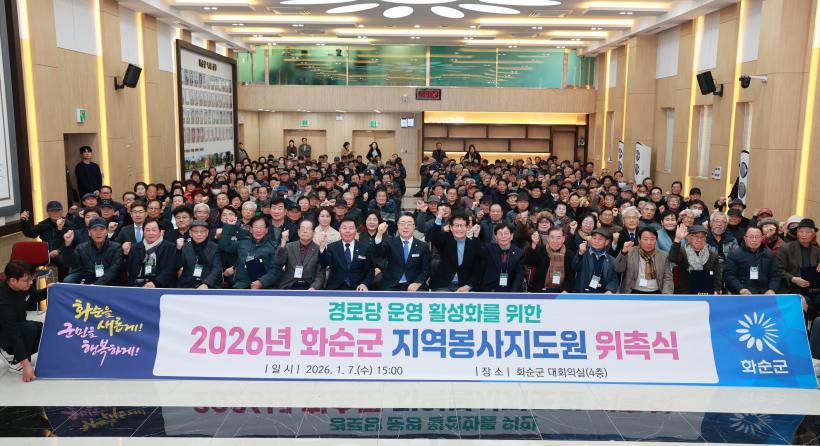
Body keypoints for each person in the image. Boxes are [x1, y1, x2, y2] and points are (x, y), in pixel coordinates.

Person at [0, 260, 48, 381]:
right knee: (29, 329)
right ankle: (12, 356)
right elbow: (13, 332)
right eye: (27, 280)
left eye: (31, 279)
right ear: (12, 280)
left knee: (42, 328)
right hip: (4, 331)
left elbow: (35, 296)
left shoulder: (24, 286)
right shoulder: (4, 300)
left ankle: (19, 355)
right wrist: (26, 365)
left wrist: (50, 289)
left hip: (18, 323)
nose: (30, 282)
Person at [427, 211, 483, 292]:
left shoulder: (473, 244)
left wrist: (468, 286)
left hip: (465, 286)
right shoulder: (445, 239)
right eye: (456, 225)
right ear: (451, 227)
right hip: (443, 285)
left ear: (467, 227)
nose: (459, 229)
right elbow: (434, 237)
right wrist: (439, 218)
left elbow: (477, 270)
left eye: (462, 225)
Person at [373, 213, 430, 291]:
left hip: (415, 285)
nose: (406, 227)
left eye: (409, 224)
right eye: (402, 223)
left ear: (414, 226)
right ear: (398, 225)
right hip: (392, 285)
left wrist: (417, 283)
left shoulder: (423, 246)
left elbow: (426, 269)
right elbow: (378, 252)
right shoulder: (390, 243)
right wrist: (379, 234)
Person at [61, 217, 123, 285]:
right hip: (88, 278)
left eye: (101, 229)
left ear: (106, 232)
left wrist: (96, 285)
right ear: (89, 232)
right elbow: (71, 263)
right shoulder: (81, 247)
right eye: (94, 229)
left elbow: (113, 270)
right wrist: (68, 245)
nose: (98, 233)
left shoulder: (116, 247)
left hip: (108, 280)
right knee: (68, 280)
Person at [613, 227, 674, 294]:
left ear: (656, 240)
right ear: (639, 240)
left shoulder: (663, 256)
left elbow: (667, 278)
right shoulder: (630, 251)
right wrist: (624, 252)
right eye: (645, 239)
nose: (649, 242)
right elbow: (618, 269)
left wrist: (666, 295)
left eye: (652, 239)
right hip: (633, 291)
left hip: (656, 292)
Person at [776, 218, 820, 309]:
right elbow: (778, 269)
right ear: (797, 233)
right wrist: (793, 279)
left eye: (807, 232)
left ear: (813, 234)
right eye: (801, 231)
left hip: (813, 288)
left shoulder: (817, 251)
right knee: (804, 301)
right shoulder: (786, 248)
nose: (804, 235)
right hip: (792, 287)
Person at [320, 218, 373, 291]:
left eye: (351, 228)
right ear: (339, 230)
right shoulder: (331, 247)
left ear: (356, 230)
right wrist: (322, 248)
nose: (347, 231)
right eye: (344, 228)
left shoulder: (364, 248)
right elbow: (323, 264)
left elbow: (370, 271)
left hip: (357, 288)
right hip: (335, 288)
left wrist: (364, 284)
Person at [724, 227, 780, 295]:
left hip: (764, 293)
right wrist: (740, 289)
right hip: (743, 294)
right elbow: (729, 275)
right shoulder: (734, 254)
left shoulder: (769, 254)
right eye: (751, 237)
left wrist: (772, 289)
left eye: (757, 237)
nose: (754, 240)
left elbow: (775, 275)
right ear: (745, 238)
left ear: (762, 238)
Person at [122, 219, 177, 288]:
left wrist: (156, 283)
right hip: (136, 286)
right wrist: (125, 255)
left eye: (154, 230)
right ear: (143, 232)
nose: (151, 233)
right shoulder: (134, 247)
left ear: (160, 232)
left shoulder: (170, 247)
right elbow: (125, 269)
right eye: (147, 230)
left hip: (159, 286)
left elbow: (171, 269)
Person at [668, 225, 722, 294]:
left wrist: (716, 290)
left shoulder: (712, 255)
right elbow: (673, 258)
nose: (699, 240)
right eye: (696, 236)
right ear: (688, 238)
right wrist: (677, 240)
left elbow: (717, 276)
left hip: (705, 292)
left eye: (702, 237)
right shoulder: (682, 251)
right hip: (685, 292)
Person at [232, 216, 282, 289]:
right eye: (256, 227)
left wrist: (262, 282)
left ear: (266, 230)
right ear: (251, 229)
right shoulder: (242, 242)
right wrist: (229, 226)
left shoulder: (273, 246)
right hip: (241, 284)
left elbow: (276, 270)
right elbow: (225, 246)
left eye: (261, 227)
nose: (258, 230)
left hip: (264, 286)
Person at [276, 219, 325, 290]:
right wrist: (283, 242)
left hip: (309, 286)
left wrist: (314, 287)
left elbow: (320, 274)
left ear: (313, 232)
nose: (305, 231)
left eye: (308, 229)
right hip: (289, 285)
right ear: (298, 232)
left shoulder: (318, 249)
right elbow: (279, 262)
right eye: (302, 228)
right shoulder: (288, 246)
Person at [526, 226, 576, 293]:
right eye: (552, 237)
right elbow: (529, 262)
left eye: (558, 238)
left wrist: (565, 290)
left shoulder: (569, 254)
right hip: (540, 290)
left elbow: (571, 277)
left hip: (561, 292)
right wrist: (534, 245)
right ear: (548, 238)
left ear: (563, 239)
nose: (555, 241)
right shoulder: (540, 250)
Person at [480, 222, 525, 292]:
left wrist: (512, 294)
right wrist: (475, 237)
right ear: (496, 237)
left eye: (506, 233)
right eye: (500, 233)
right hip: (490, 290)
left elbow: (519, 276)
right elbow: (476, 251)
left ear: (511, 236)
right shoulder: (489, 249)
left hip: (510, 290)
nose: (503, 236)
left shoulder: (519, 253)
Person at [178, 220, 222, 289]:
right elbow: (177, 265)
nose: (199, 234)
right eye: (195, 231)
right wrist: (178, 250)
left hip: (209, 286)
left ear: (207, 233)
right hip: (187, 285)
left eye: (202, 231)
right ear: (190, 233)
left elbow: (216, 269)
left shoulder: (215, 247)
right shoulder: (184, 247)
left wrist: (206, 284)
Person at [573, 228, 619, 293]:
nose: (596, 241)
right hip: (583, 293)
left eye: (600, 239)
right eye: (594, 238)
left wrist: (610, 290)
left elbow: (614, 279)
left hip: (602, 294)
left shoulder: (611, 260)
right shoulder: (583, 253)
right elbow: (575, 267)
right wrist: (580, 254)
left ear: (606, 242)